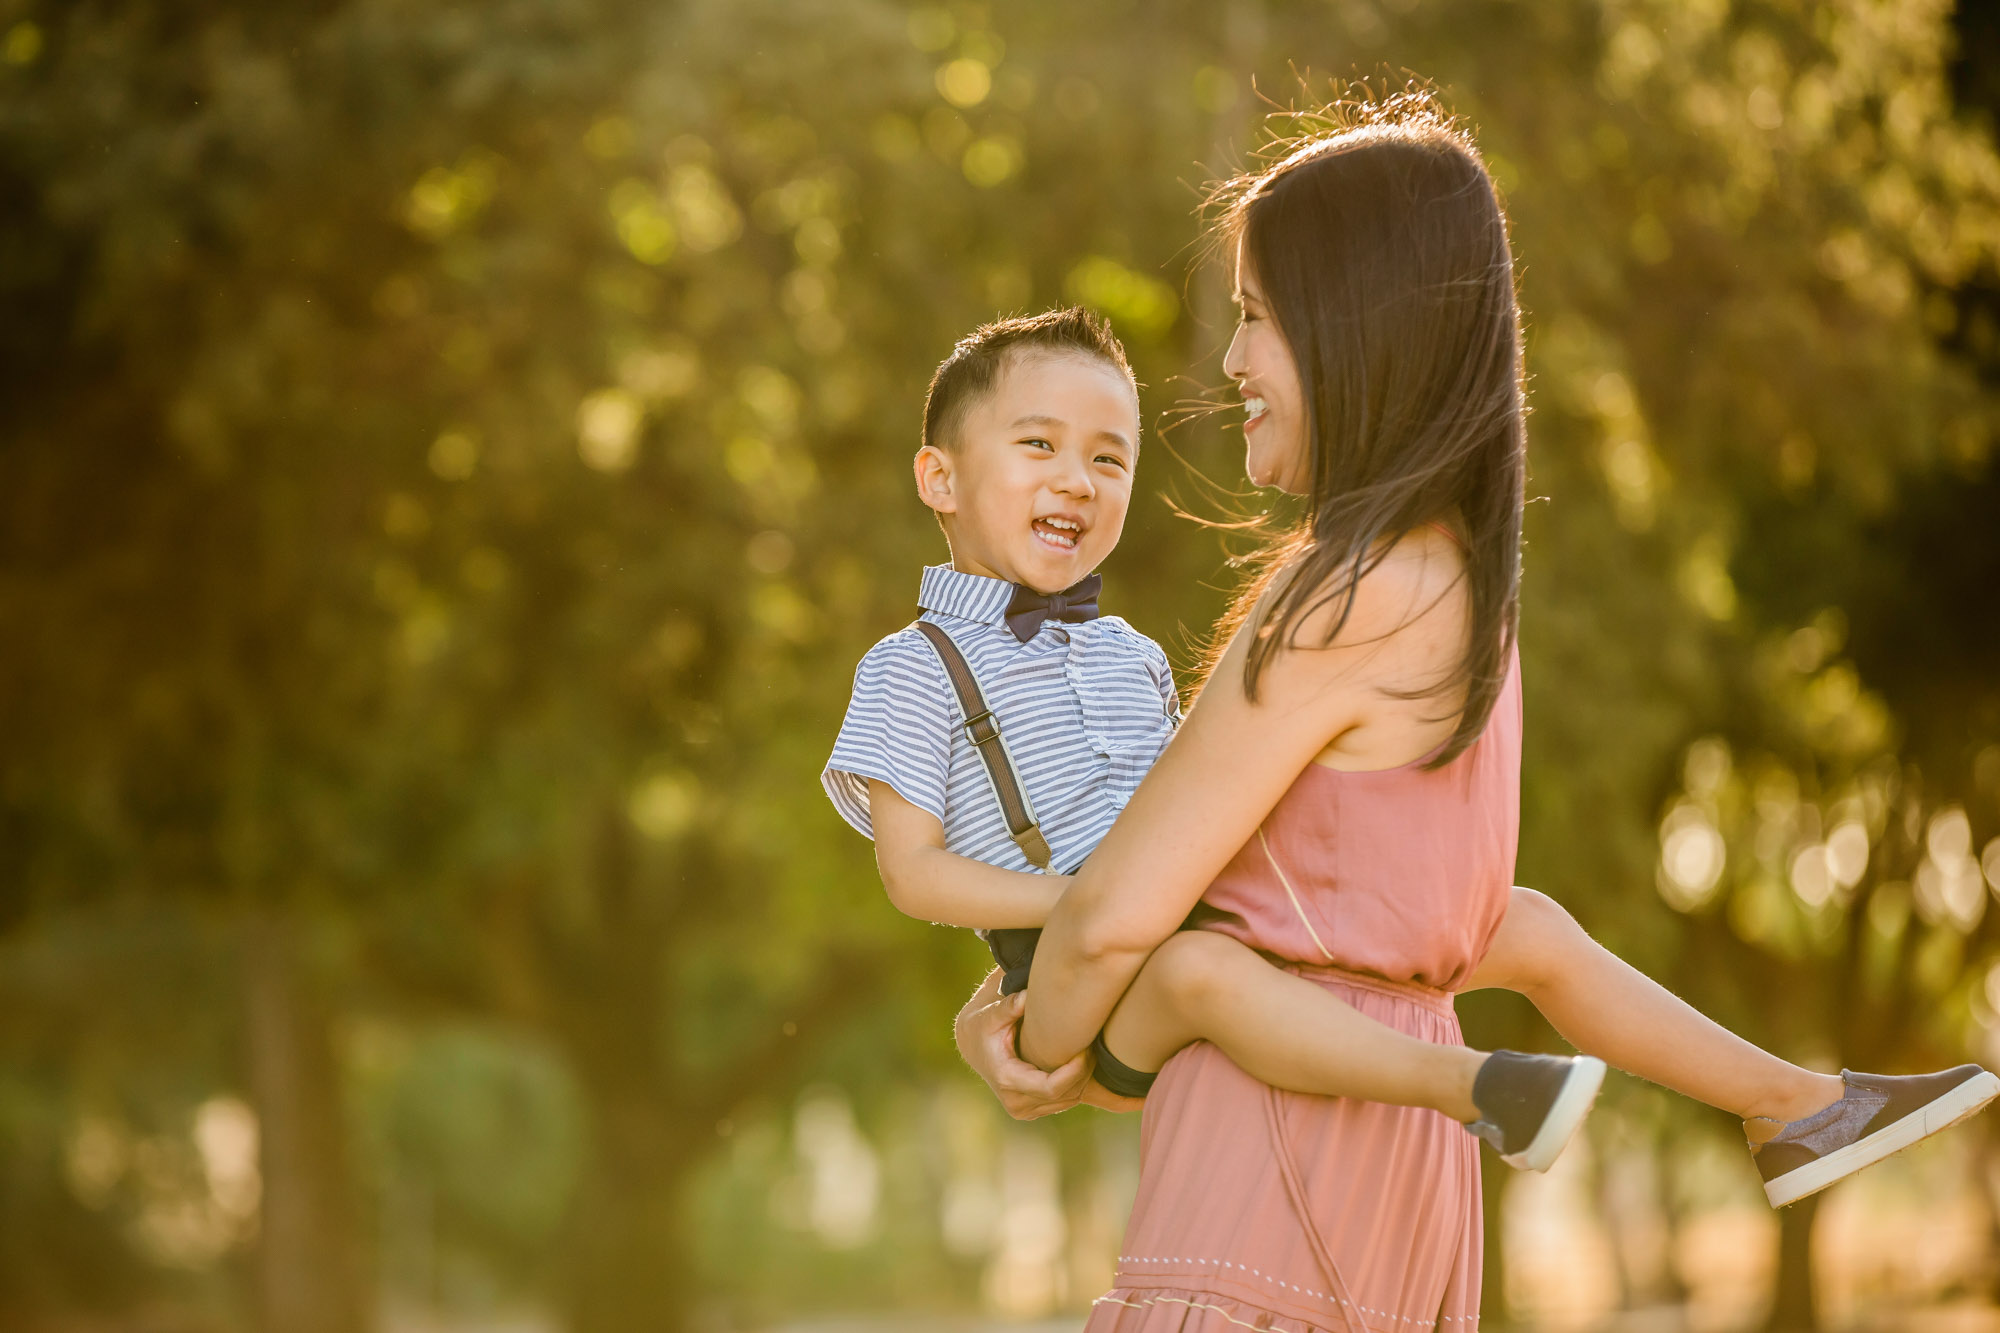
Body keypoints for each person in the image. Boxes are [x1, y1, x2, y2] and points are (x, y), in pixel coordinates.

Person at [930, 98, 1996, 1329]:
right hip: (1399, 1203)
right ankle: (1791, 1099)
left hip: (1268, 1197)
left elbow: (1117, 918)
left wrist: (1034, 1046)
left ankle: (1789, 1099)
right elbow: (1449, 936)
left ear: (1352, 328)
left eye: (1258, 318)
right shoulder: (1462, 593)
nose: (1229, 363)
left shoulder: (1338, 597)